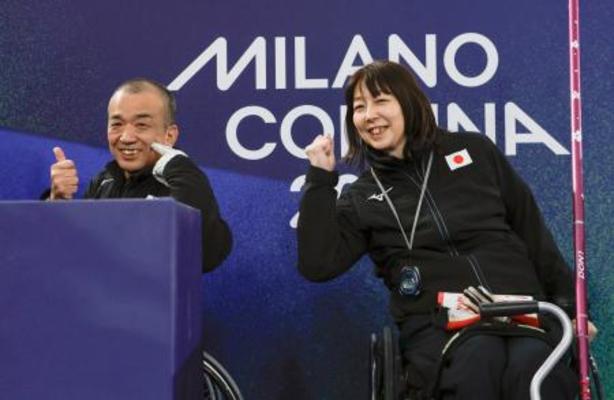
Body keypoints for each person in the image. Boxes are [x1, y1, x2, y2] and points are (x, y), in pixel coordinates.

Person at [297, 61, 596, 399]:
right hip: (439, 327)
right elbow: (317, 264)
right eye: (359, 107)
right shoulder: (362, 196)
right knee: (479, 358)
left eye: (380, 101)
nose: (369, 115)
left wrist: (572, 309)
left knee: (535, 368)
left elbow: (533, 233)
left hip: (520, 313)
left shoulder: (475, 151)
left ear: (409, 103)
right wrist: (320, 178)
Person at [48, 78, 232, 272]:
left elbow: (204, 256)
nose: (126, 137)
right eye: (117, 124)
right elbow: (65, 257)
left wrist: (184, 172)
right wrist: (56, 204)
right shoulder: (103, 181)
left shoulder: (183, 184)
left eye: (142, 125)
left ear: (169, 135)